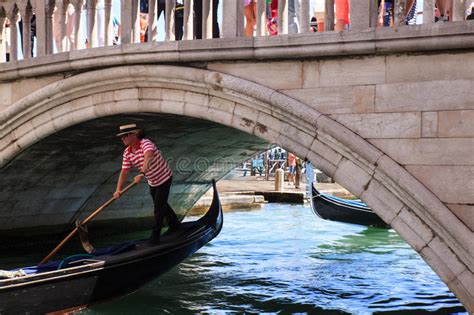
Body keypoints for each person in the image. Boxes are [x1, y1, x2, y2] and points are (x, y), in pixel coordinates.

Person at [114, 124, 180, 244]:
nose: (122, 138)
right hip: (153, 181)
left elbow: (148, 156)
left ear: (135, 135)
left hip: (164, 177)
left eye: (125, 135)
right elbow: (124, 171)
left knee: (158, 208)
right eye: (121, 136)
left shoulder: (146, 143)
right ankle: (175, 224)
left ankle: (155, 237)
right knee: (161, 204)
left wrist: (142, 173)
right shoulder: (127, 153)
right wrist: (118, 189)